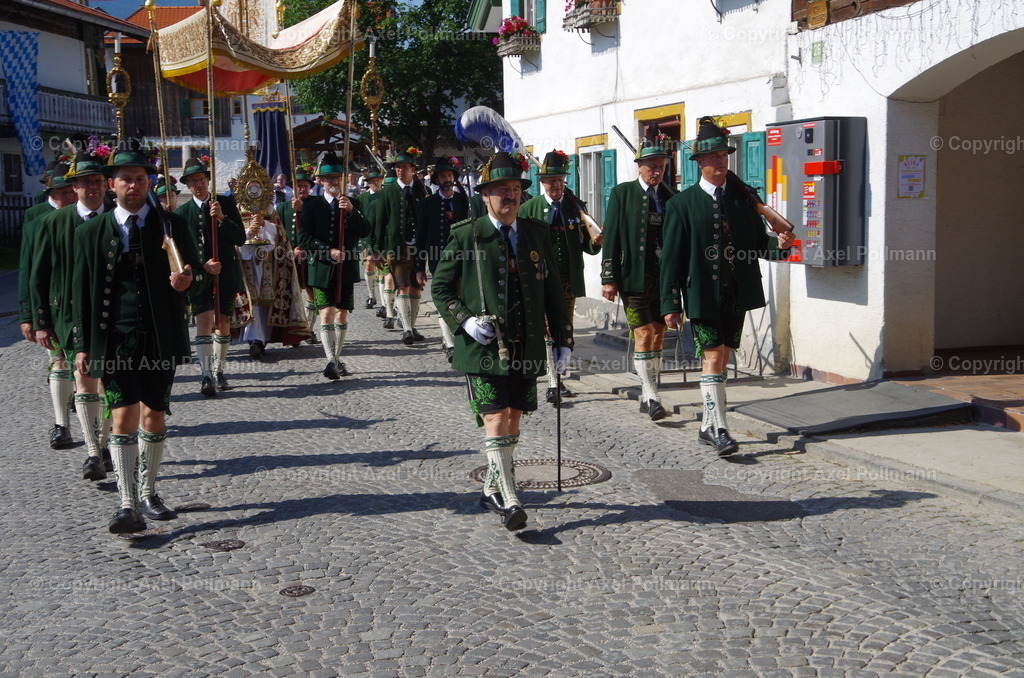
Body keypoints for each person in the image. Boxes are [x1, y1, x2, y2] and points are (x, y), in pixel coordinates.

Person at [432, 151, 573, 531]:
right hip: (482, 348)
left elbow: (554, 293)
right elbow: (441, 288)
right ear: (485, 196)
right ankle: (510, 498)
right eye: (501, 190)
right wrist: (465, 322)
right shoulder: (467, 234)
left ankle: (493, 487)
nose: (510, 196)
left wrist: (563, 340)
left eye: (515, 189)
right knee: (494, 416)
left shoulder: (537, 233)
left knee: (512, 417)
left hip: (526, 343)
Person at [71, 144, 200, 532]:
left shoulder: (171, 225)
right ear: (112, 185)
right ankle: (126, 504)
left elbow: (196, 279)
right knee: (123, 415)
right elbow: (82, 291)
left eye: (141, 179)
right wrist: (81, 345)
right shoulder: (92, 232)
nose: (134, 185)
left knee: (154, 414)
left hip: (160, 336)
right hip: (115, 337)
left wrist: (186, 281)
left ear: (149, 183)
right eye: (126, 179)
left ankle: (148, 490)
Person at [661, 116, 794, 456]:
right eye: (713, 156)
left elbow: (757, 243)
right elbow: (672, 258)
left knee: (723, 357)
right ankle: (720, 428)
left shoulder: (743, 201)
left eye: (724, 155)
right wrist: (670, 303)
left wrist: (779, 244)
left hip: (738, 291)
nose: (720, 161)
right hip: (701, 293)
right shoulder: (681, 204)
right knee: (712, 355)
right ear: (700, 163)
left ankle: (707, 425)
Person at [30, 149, 115, 480]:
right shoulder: (53, 223)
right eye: (84, 182)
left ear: (105, 184)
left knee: (111, 382)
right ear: (74, 187)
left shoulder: (120, 217)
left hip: (113, 314)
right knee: (84, 379)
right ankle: (94, 452)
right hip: (68, 315)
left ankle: (106, 442)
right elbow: (39, 275)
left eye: (96, 181)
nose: (91, 187)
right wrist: (41, 322)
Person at [600, 126, 678, 421]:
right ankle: (652, 394)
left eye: (660, 167)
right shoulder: (622, 193)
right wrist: (608, 277)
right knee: (643, 333)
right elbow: (612, 236)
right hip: (631, 278)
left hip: (663, 280)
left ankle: (649, 390)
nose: (656, 172)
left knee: (658, 334)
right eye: (651, 167)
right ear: (639, 167)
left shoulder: (672, 196)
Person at [519, 150, 602, 403]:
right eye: (552, 181)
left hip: (567, 279)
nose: (557, 185)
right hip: (540, 279)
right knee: (545, 328)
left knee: (564, 328)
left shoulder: (575, 208)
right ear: (542, 182)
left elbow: (587, 246)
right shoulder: (529, 209)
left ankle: (559, 378)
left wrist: (597, 241)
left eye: (560, 180)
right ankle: (553, 381)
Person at [175, 156, 246, 397]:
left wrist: (222, 219)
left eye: (201, 179)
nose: (198, 184)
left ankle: (218, 369)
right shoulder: (182, 212)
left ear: (208, 179)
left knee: (222, 322)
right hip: (198, 276)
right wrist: (201, 266)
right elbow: (180, 250)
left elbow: (240, 238)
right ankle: (205, 375)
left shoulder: (224, 203)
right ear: (187, 185)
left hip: (224, 274)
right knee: (204, 321)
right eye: (193, 181)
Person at [19, 162, 77, 449]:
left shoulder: (89, 215)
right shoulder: (36, 219)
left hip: (84, 307)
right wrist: (29, 315)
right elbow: (28, 271)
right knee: (59, 360)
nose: (69, 196)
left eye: (71, 189)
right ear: (51, 192)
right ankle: (61, 425)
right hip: (53, 307)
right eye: (63, 191)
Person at [297, 152, 370, 380]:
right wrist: (327, 251)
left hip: (345, 269)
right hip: (320, 268)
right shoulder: (311, 206)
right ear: (320, 181)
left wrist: (350, 211)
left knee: (341, 315)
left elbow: (365, 230)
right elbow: (304, 239)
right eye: (328, 179)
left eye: (337, 178)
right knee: (326, 313)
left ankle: (337, 358)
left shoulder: (353, 203)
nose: (333, 182)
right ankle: (330, 360)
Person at [372, 148, 430, 345]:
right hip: (396, 247)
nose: (399, 170)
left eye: (404, 167)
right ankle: (406, 329)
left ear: (412, 169)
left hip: (418, 247)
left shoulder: (422, 190)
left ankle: (412, 327)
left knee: (415, 288)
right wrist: (377, 249)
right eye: (397, 167)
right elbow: (380, 222)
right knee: (402, 287)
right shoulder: (387, 192)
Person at [416, 156, 470, 362]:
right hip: (438, 262)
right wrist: (419, 268)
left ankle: (459, 338)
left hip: (463, 260)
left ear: (454, 178)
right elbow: (420, 237)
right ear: (436, 180)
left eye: (449, 175)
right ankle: (448, 343)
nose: (446, 179)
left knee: (461, 299)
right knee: (443, 300)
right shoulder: (426, 204)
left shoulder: (463, 201)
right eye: (442, 176)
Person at [238, 206, 311, 358]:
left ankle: (261, 339)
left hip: (269, 264)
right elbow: (233, 235)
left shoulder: (270, 210)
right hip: (245, 264)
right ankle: (254, 339)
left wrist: (264, 225)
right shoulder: (237, 209)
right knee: (252, 302)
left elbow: (280, 236)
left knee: (266, 303)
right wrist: (248, 233)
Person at [276, 164, 319, 344]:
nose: (301, 189)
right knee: (292, 293)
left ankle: (308, 329)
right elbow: (279, 232)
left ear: (310, 188)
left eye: (305, 186)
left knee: (310, 292)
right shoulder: (284, 208)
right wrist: (289, 249)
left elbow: (319, 230)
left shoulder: (317, 206)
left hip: (311, 256)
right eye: (298, 186)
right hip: (289, 256)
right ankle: (293, 331)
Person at [356, 168, 385, 310]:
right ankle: (371, 295)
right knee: (369, 263)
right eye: (373, 181)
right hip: (367, 236)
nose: (376, 182)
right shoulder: (362, 198)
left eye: (378, 180)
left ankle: (386, 302)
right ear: (368, 183)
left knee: (382, 267)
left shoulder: (386, 196)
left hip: (384, 236)